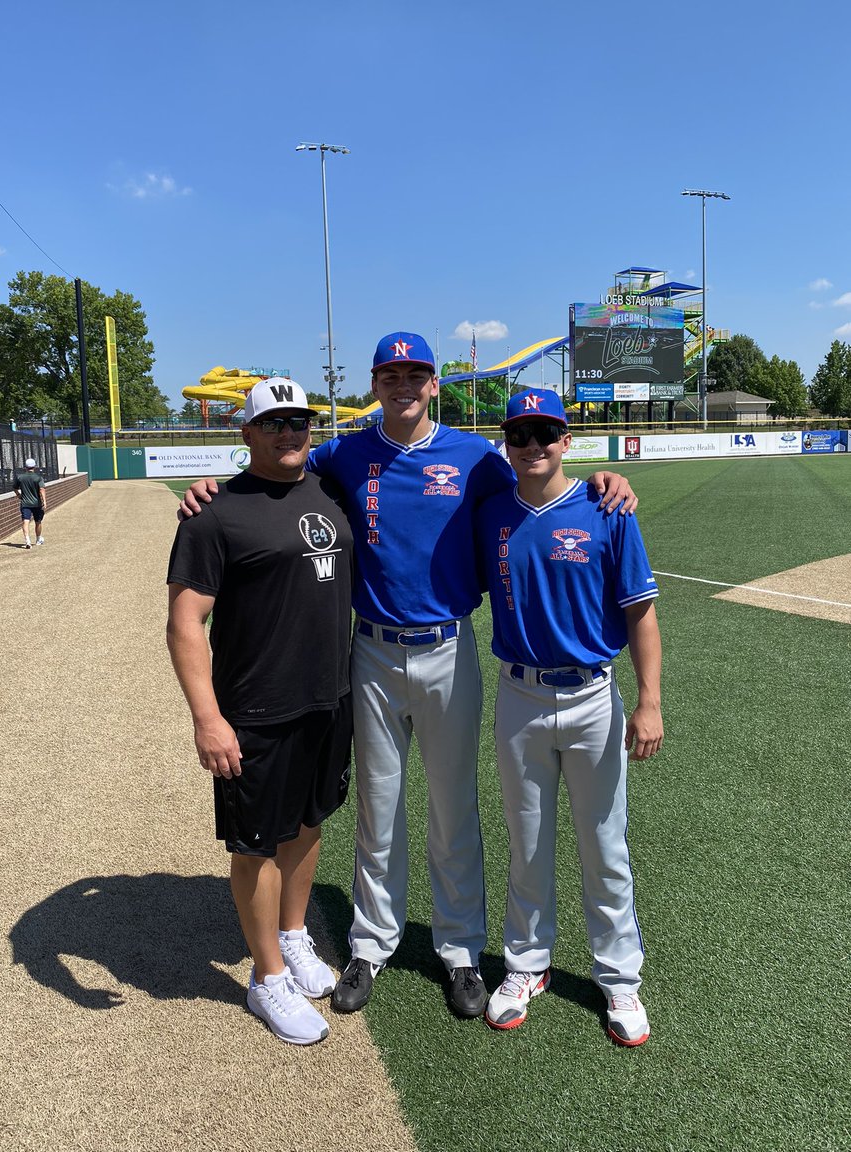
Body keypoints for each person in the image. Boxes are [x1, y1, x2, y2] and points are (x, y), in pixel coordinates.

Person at [180, 334, 637, 1020]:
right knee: (377, 806)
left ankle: (459, 950)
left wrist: (610, 478)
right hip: (369, 651)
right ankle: (371, 942)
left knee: (453, 806)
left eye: (415, 373)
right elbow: (274, 469)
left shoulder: (476, 458)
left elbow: (543, 483)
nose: (402, 383)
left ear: (433, 384)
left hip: (447, 647)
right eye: (390, 373)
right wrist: (211, 483)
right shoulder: (343, 453)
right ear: (376, 382)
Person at [166, 377, 354, 1046]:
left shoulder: (329, 489)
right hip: (254, 710)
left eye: (298, 419)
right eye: (272, 422)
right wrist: (207, 719)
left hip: (329, 698)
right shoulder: (215, 513)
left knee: (306, 826)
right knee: (255, 847)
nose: (288, 431)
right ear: (245, 434)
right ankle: (266, 976)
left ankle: (294, 937)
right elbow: (185, 622)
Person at [475, 388, 662, 1044]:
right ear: (507, 442)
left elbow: (640, 613)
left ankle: (619, 978)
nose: (533, 445)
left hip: (591, 699)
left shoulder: (607, 507)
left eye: (545, 433)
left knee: (604, 845)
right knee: (526, 844)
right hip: (520, 697)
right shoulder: (491, 513)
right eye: (520, 434)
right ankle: (527, 965)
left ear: (567, 439)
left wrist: (649, 702)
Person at [14, 457, 46, 548]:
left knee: (25, 521)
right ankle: (38, 539)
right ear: (34, 467)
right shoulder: (38, 478)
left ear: (25, 467)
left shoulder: (20, 477)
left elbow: (15, 488)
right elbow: (42, 489)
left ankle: (27, 541)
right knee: (38, 521)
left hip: (25, 503)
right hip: (37, 503)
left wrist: (18, 495)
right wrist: (44, 501)